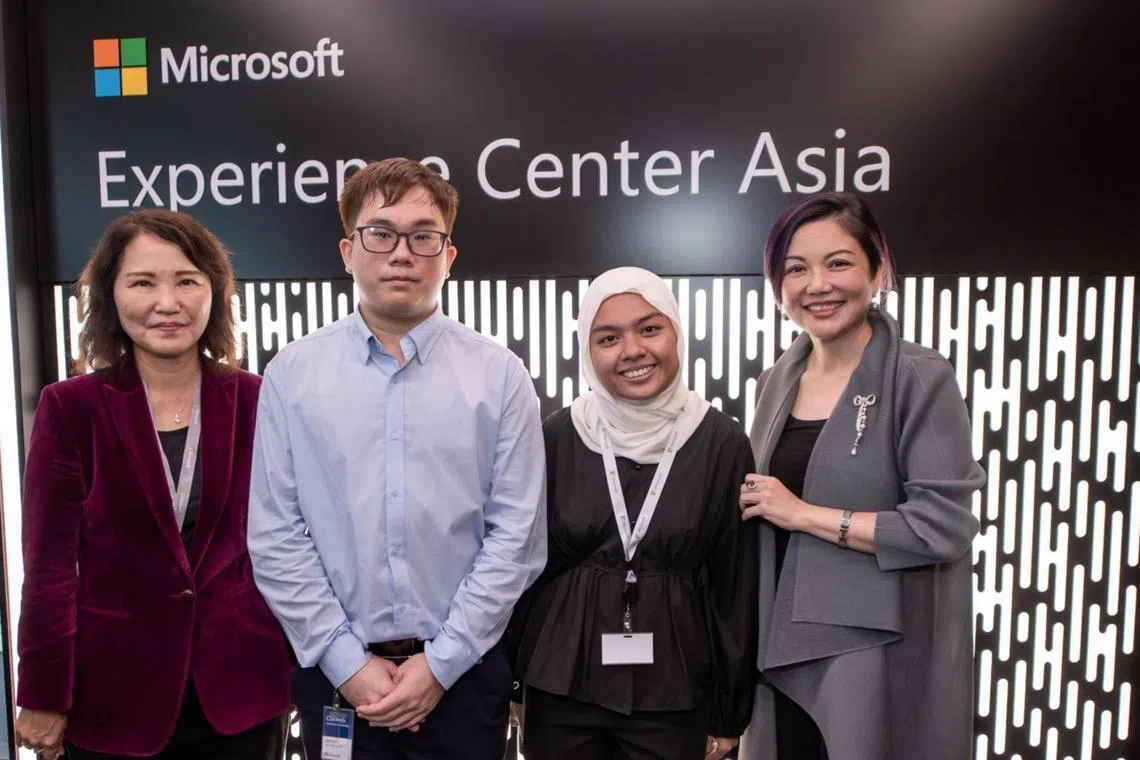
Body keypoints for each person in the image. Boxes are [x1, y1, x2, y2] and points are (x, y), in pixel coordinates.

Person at [247, 157, 547, 760]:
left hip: (464, 679)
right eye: (380, 233)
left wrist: (439, 666)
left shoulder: (500, 375)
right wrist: (346, 662)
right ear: (348, 251)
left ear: (449, 255)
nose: (401, 253)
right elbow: (276, 535)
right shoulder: (293, 374)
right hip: (337, 682)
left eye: (423, 236)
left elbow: (517, 536)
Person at [14, 209, 293, 759]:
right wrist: (44, 693)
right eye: (143, 282)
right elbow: (48, 568)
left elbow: (294, 544)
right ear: (111, 296)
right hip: (113, 696)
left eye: (187, 281)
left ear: (214, 292)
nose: (168, 303)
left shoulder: (259, 400)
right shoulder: (70, 409)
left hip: (241, 692)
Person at [736, 192, 985, 760]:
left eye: (838, 262)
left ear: (878, 270)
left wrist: (802, 514)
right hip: (781, 643)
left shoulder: (919, 376)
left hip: (869, 653)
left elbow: (943, 527)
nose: (817, 284)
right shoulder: (780, 376)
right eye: (795, 269)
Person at [508, 267, 758, 760]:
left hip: (676, 686)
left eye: (649, 328)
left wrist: (730, 711)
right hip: (560, 682)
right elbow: (521, 567)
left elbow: (736, 584)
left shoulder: (723, 443)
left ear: (677, 333)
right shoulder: (556, 435)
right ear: (587, 351)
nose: (633, 351)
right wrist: (514, 681)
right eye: (608, 338)